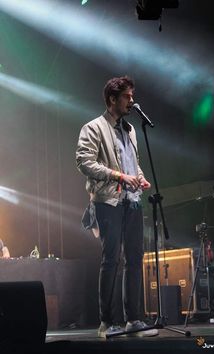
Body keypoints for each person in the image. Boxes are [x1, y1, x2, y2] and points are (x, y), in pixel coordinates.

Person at [76, 76, 158, 338]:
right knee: (111, 260)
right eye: (127, 97)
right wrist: (119, 176)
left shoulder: (131, 130)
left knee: (135, 259)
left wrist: (140, 176)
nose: (132, 101)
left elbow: (133, 163)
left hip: (132, 203)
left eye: (132, 96)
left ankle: (133, 320)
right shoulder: (93, 128)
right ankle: (106, 323)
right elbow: (84, 162)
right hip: (108, 202)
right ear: (113, 99)